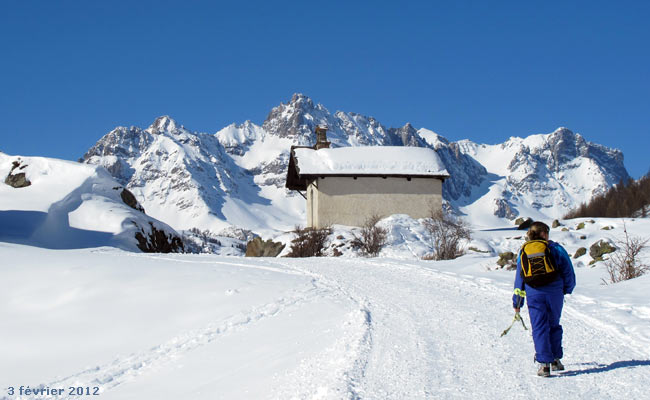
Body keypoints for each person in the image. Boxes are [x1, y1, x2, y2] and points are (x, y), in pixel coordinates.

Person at [512, 221, 576, 377]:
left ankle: (544, 365)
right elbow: (568, 272)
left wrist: (517, 302)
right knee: (553, 324)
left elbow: (520, 278)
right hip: (555, 293)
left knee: (539, 326)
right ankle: (555, 359)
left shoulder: (524, 251)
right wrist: (566, 289)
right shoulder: (556, 249)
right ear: (544, 234)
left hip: (534, 294)